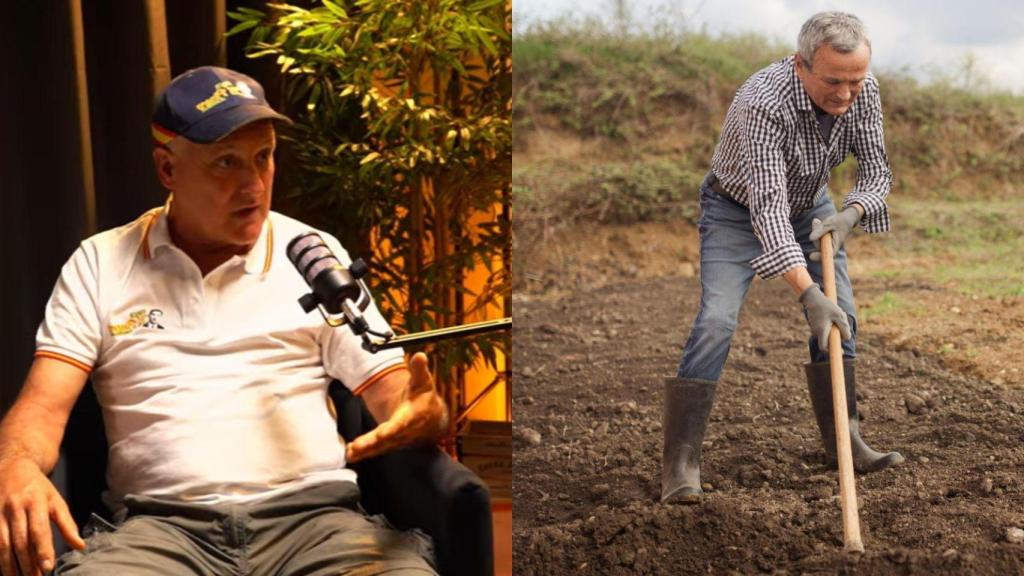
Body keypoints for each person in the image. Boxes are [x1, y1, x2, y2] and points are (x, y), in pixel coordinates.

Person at [0, 66, 445, 575]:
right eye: (226, 163)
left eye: (264, 157)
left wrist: (424, 414)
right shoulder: (100, 263)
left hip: (317, 524)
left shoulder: (315, 257)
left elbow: (399, 398)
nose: (253, 184)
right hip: (159, 533)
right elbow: (40, 407)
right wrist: (13, 465)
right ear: (168, 169)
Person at [662, 12, 905, 505]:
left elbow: (877, 171)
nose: (845, 94)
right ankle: (680, 463)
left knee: (845, 318)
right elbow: (767, 210)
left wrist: (851, 213)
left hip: (813, 204)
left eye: (855, 81)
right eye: (834, 81)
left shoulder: (864, 89)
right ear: (801, 64)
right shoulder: (763, 101)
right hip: (735, 207)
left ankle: (845, 439)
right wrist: (809, 293)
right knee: (716, 321)